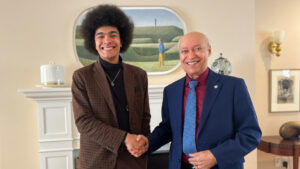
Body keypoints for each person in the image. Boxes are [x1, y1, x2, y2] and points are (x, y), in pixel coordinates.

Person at [131, 32, 261, 169]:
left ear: (209, 51)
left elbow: (251, 134)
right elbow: (168, 128)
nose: (191, 55)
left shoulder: (233, 87)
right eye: (184, 51)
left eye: (197, 49)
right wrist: (147, 143)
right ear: (180, 56)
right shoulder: (171, 91)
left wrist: (215, 155)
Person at [71, 4, 150, 169]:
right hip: (97, 159)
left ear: (122, 41)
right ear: (93, 42)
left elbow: (144, 117)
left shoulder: (139, 75)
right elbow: (84, 122)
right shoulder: (82, 77)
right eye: (100, 36)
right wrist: (124, 138)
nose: (107, 40)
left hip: (133, 159)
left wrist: (142, 143)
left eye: (113, 35)